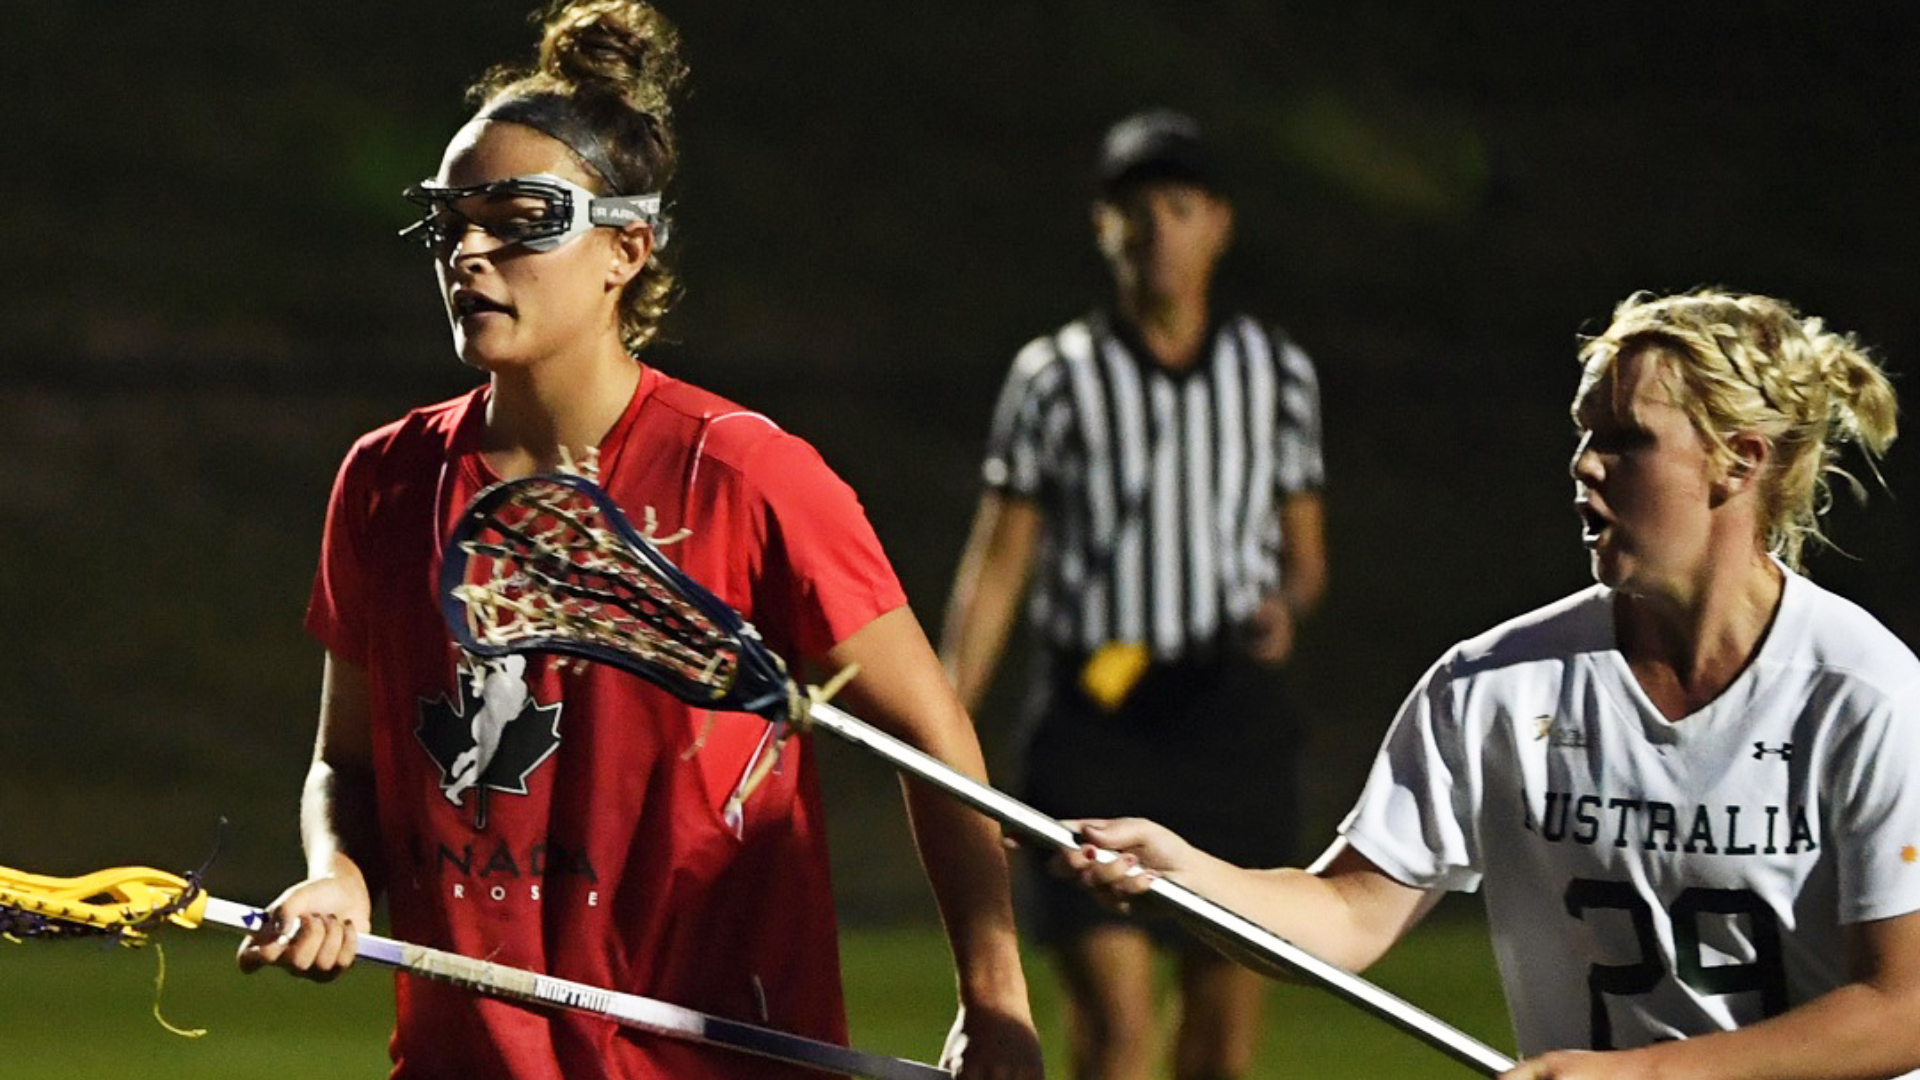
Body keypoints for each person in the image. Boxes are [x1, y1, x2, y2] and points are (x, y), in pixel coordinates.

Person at [232, 4, 1044, 1078]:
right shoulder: (384, 481)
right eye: (449, 221)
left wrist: (994, 1001)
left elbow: (934, 745)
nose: (470, 252)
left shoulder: (750, 475)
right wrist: (338, 872)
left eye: (518, 218)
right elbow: (346, 763)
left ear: (625, 248)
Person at [1064, 289, 1920, 1080]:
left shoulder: (1863, 696)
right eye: (1586, 434)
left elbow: (1904, 1008)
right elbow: (1347, 914)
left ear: (1738, 460)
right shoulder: (1499, 685)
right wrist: (1187, 874)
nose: (1585, 465)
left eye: (1626, 439)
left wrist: (1645, 1075)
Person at [940, 108, 1327, 1080]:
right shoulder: (1055, 378)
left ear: (1219, 225)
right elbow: (998, 563)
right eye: (1136, 209)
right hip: (1097, 710)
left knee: (1221, 1040)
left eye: (1182, 206)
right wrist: (944, 726)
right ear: (1103, 226)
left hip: (1227, 715)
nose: (1159, 229)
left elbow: (1306, 556)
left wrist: (1289, 601)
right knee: (1116, 1032)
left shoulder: (1274, 373)